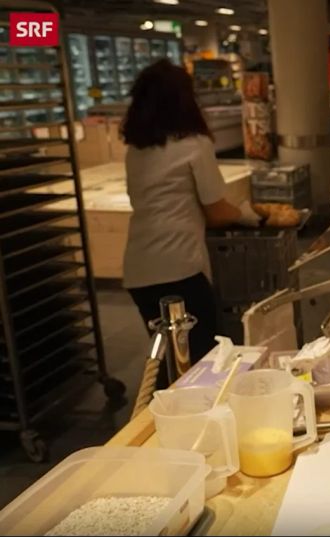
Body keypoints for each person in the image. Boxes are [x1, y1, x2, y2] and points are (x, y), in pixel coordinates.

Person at [121, 59, 260, 388]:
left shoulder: (135, 151)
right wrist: (249, 213)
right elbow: (217, 211)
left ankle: (164, 421)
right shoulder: (194, 146)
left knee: (167, 359)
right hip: (179, 268)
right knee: (203, 362)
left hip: (139, 270)